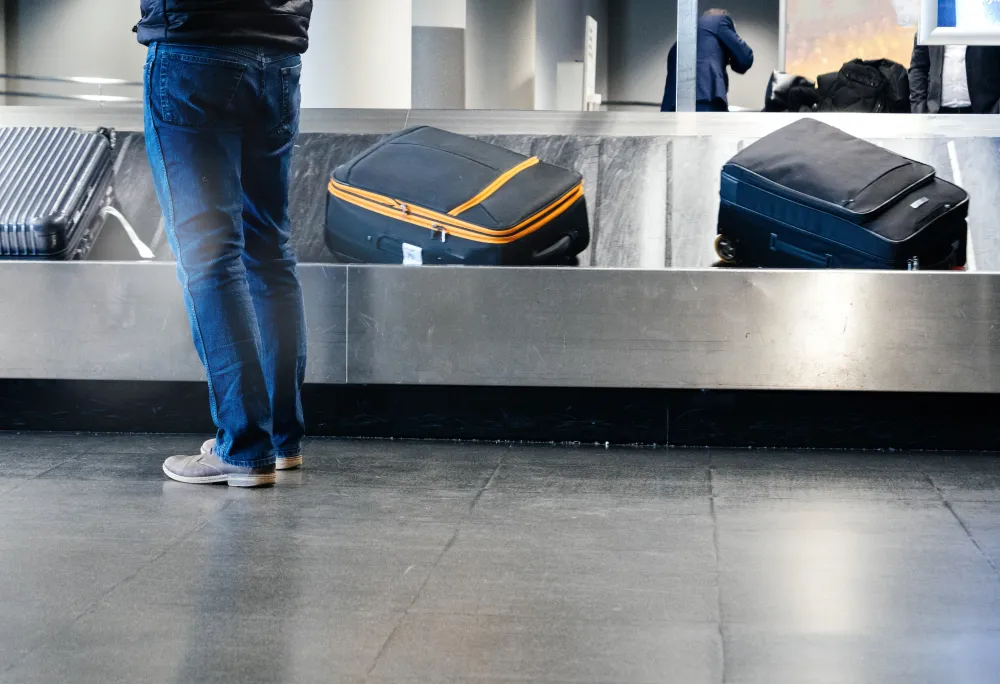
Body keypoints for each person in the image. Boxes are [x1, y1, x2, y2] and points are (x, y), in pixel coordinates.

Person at [136, 0, 313, 488]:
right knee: (270, 251)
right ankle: (280, 441)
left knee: (209, 257)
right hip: (277, 54)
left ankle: (243, 447)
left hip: (193, 50)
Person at [661, 9, 755, 113]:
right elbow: (745, 58)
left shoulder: (684, 40)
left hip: (672, 106)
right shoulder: (720, 20)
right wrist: (731, 54)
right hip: (704, 97)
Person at [909, 38, 1000, 114]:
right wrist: (919, 109)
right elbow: (918, 68)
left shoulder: (990, 21)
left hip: (985, 113)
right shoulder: (932, 20)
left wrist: (996, 111)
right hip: (936, 114)